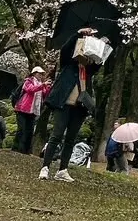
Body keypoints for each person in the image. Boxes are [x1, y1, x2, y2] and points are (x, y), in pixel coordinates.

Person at [39, 28, 106, 183]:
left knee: (70, 139)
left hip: (80, 107)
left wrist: (101, 47)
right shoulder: (68, 65)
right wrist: (78, 34)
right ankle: (45, 167)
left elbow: (98, 64)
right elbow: (65, 50)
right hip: (63, 103)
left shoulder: (88, 71)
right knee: (56, 135)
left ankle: (62, 169)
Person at [13, 67, 52, 155]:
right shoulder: (28, 81)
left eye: (42, 74)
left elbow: (44, 95)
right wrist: (43, 85)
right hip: (23, 109)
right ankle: (16, 148)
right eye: (39, 73)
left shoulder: (41, 84)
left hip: (33, 111)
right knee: (21, 129)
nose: (41, 75)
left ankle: (26, 150)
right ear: (34, 73)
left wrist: (48, 88)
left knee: (30, 131)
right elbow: (31, 90)